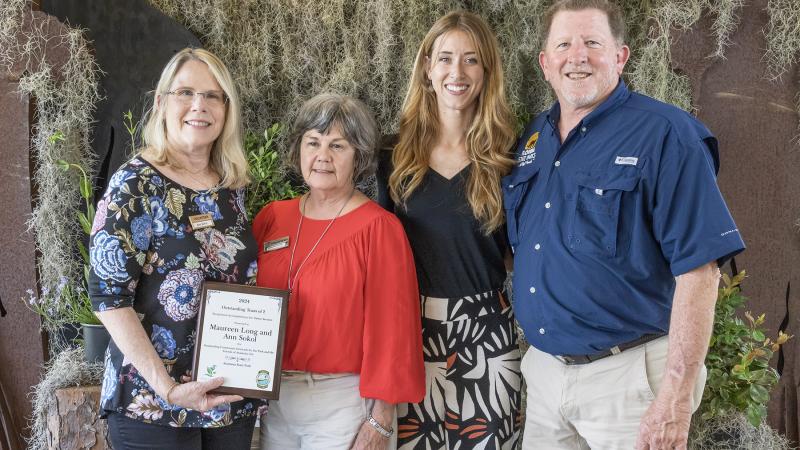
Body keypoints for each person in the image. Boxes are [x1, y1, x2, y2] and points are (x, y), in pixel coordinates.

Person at [504, 0, 747, 448]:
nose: (577, 56)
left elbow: (699, 271)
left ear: (620, 56)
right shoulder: (533, 140)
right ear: (545, 63)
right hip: (545, 377)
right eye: (563, 45)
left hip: (629, 381)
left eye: (592, 43)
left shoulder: (667, 134)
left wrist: (675, 396)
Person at [89, 48, 259, 449]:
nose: (199, 106)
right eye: (186, 92)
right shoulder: (135, 184)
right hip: (151, 404)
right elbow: (108, 298)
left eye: (213, 95)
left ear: (226, 110)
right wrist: (167, 388)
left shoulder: (230, 189)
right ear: (161, 103)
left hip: (225, 402)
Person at [377, 11, 522, 449]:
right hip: (410, 332)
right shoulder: (393, 156)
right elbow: (379, 258)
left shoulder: (509, 157)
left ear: (487, 71)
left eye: (471, 59)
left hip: (488, 332)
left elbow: (520, 253)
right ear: (427, 68)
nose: (456, 72)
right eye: (445, 58)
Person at [252, 93, 426, 450]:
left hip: (342, 405)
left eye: (337, 146)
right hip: (273, 399)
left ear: (358, 156)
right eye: (313, 142)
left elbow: (394, 332)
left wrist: (380, 420)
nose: (323, 156)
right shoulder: (273, 218)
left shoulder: (378, 228)